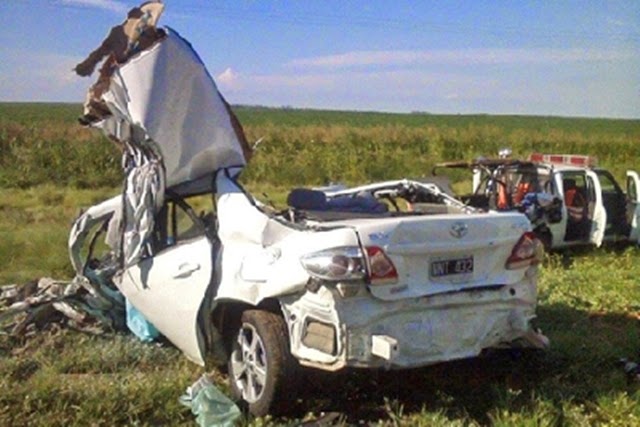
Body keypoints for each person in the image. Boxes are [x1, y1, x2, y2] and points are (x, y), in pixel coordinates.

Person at [74, 1, 165, 125]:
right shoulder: (123, 36)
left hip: (134, 72)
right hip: (120, 69)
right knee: (100, 89)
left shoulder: (148, 37)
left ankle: (101, 111)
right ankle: (95, 112)